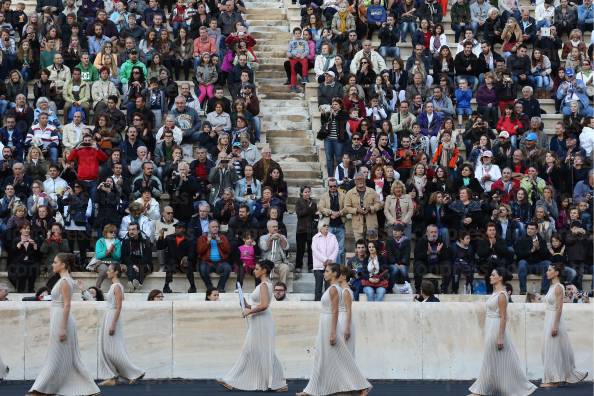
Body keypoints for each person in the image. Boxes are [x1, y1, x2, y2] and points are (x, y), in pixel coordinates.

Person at [28, 253, 100, 396]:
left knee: (56, 356)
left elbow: (67, 305)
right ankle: (88, 389)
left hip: (62, 319)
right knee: (68, 357)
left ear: (63, 265)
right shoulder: (64, 280)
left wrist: (62, 328)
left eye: (55, 262)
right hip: (59, 318)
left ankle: (40, 389)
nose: (53, 264)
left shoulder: (65, 281)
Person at [297, 263, 372, 396]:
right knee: (324, 356)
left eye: (326, 271)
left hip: (331, 323)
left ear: (335, 274)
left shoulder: (336, 290)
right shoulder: (334, 288)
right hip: (326, 323)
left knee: (341, 356)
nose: (324, 273)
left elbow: (337, 311)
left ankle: (360, 386)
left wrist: (335, 331)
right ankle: (313, 389)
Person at [219, 260, 287, 392]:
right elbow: (258, 305)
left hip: (262, 321)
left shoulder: (263, 285)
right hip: (260, 321)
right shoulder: (265, 284)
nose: (254, 271)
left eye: (256, 269)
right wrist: (244, 302)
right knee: (261, 350)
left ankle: (231, 380)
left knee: (251, 350)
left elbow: (264, 305)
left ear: (264, 270)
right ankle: (279, 383)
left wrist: (248, 311)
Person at [468, 267, 537, 396]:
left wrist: (500, 337)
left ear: (500, 278)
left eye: (493, 275)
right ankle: (494, 388)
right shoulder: (495, 293)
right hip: (490, 326)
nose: (490, 276)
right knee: (496, 359)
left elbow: (504, 317)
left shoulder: (501, 295)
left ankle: (480, 391)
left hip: (495, 328)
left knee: (489, 359)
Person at [540, 263, 589, 388]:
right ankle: (556, 377)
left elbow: (559, 308)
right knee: (550, 349)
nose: (547, 272)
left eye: (549, 270)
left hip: (554, 320)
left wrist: (555, 325)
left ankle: (554, 380)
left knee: (553, 350)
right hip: (549, 319)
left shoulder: (558, 287)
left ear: (556, 273)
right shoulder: (551, 287)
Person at [98, 263, 145, 387]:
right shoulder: (114, 286)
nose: (107, 272)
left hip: (112, 317)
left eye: (109, 270)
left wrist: (113, 324)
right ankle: (113, 376)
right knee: (107, 349)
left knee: (114, 350)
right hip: (109, 316)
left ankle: (135, 372)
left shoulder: (117, 286)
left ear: (116, 272)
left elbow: (119, 307)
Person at [158, 221, 197, 293]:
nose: (176, 229)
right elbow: (160, 247)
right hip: (173, 262)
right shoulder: (169, 238)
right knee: (170, 264)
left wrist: (187, 257)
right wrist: (161, 237)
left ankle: (193, 286)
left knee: (188, 263)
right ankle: (166, 286)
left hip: (184, 262)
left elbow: (192, 253)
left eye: (179, 228)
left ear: (184, 229)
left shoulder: (190, 239)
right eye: (176, 227)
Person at [197, 220, 232, 292]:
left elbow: (228, 250)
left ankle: (220, 287)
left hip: (220, 262)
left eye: (216, 227)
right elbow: (199, 251)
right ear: (209, 228)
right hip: (207, 262)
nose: (215, 228)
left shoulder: (222, 237)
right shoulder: (203, 237)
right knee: (202, 269)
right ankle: (210, 288)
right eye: (213, 227)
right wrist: (207, 242)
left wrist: (220, 242)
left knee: (227, 268)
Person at [311, 220, 339, 301]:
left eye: (327, 225)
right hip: (319, 266)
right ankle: (317, 304)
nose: (326, 227)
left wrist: (330, 260)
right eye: (324, 225)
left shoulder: (333, 236)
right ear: (320, 227)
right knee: (318, 287)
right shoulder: (315, 237)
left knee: (329, 287)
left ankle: (328, 305)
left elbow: (336, 249)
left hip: (330, 266)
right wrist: (325, 260)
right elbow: (315, 251)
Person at [259, 220, 291, 286]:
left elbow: (286, 247)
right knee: (263, 269)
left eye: (276, 226)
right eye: (273, 227)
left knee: (285, 268)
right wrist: (270, 239)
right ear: (268, 228)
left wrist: (281, 238)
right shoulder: (263, 237)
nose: (276, 228)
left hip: (279, 263)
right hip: (267, 262)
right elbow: (264, 247)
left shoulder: (282, 237)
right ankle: (265, 286)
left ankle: (282, 287)